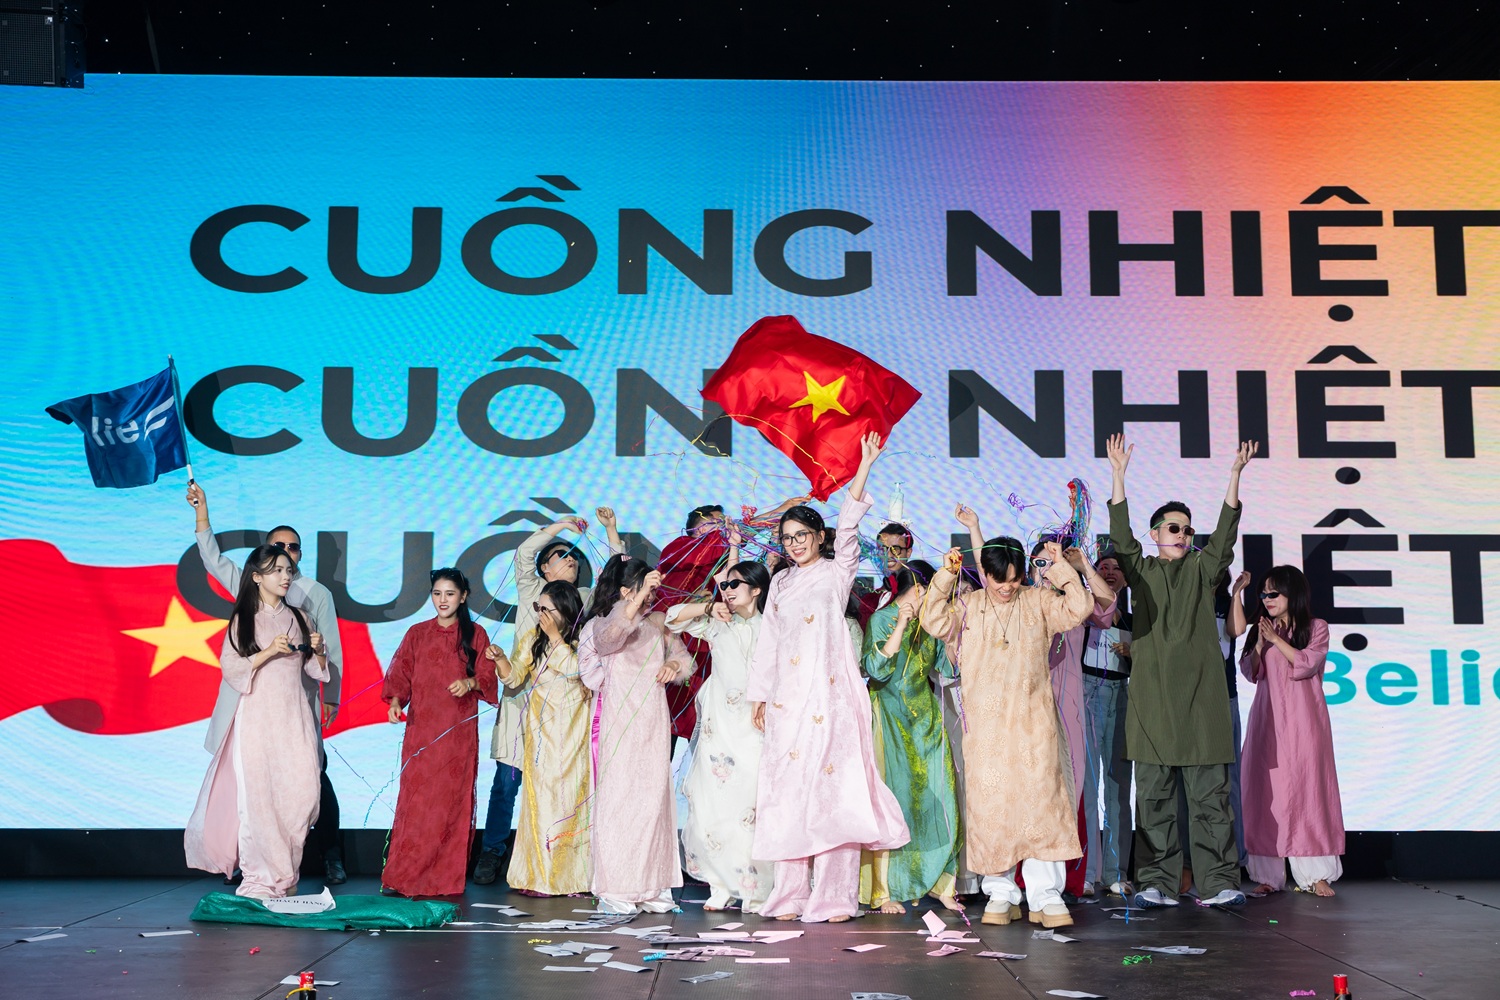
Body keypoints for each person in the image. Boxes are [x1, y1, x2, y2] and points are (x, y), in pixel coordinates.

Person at [748, 432, 910, 924]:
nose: (795, 544)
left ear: (819, 537)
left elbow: (850, 521)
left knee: (833, 790)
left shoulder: (837, 571)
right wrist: (760, 695)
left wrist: (864, 465)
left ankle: (835, 896)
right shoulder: (780, 581)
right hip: (787, 701)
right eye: (788, 538)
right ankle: (790, 894)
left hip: (829, 697)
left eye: (803, 535)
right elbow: (769, 642)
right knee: (788, 790)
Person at [1105, 433, 1258, 909]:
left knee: (1212, 800)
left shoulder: (1201, 571)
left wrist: (1234, 475)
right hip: (1153, 706)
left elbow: (1224, 540)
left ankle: (1219, 883)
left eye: (1188, 530)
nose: (1183, 535)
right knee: (1153, 801)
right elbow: (1122, 542)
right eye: (1174, 528)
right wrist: (1118, 475)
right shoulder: (1143, 572)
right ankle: (1156, 882)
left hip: (1202, 705)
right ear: (1155, 534)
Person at [921, 537, 1091, 928]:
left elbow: (1079, 607)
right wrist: (946, 574)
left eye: (1014, 579)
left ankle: (1045, 896)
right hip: (987, 731)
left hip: (1035, 726)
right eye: (1000, 579)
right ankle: (1000, 893)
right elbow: (932, 620)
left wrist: (1059, 566)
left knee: (1041, 806)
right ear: (986, 574)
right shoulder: (969, 605)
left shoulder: (1038, 600)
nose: (1007, 587)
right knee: (992, 810)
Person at [187, 481, 347, 886]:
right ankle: (256, 864)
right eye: (278, 550)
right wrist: (202, 515)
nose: (286, 559)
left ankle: (324, 855)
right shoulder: (250, 597)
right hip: (254, 704)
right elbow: (213, 560)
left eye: (293, 550)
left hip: (299, 704)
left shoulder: (312, 596)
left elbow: (327, 648)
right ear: (260, 567)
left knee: (308, 784)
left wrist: (331, 695)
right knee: (254, 787)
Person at [476, 507, 623, 886]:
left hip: (567, 712)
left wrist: (610, 529)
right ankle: (494, 851)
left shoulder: (586, 599)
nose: (572, 559)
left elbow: (615, 575)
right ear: (544, 569)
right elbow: (523, 554)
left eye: (574, 557)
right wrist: (561, 526)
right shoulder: (531, 593)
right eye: (562, 555)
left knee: (566, 786)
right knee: (507, 783)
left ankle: (566, 859)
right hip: (522, 703)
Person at [578, 555, 695, 914]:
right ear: (626, 590)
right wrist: (639, 595)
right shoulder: (601, 624)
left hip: (653, 723)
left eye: (651, 590)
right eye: (643, 589)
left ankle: (651, 884)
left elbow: (685, 661)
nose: (650, 596)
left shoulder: (657, 624)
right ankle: (616, 885)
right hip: (618, 721)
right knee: (619, 801)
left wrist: (673, 664)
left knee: (652, 801)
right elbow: (609, 642)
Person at [381, 569, 498, 897]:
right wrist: (395, 703)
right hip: (421, 733)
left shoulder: (475, 634)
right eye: (437, 593)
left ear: (463, 596)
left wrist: (470, 682)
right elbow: (400, 673)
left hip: (456, 736)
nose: (442, 600)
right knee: (416, 804)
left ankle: (441, 879)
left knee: (448, 807)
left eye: (449, 593)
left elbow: (488, 676)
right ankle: (404, 876)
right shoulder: (417, 633)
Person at [667, 561, 774, 912]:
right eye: (724, 585)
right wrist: (707, 607)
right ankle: (720, 884)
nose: (727, 590)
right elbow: (672, 617)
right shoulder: (718, 623)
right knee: (714, 802)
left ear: (756, 590)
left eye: (734, 584)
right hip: (720, 728)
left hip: (756, 725)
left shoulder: (772, 625)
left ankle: (755, 886)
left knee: (752, 805)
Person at [1232, 566, 1343, 897]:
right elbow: (1249, 672)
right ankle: (1269, 875)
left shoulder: (1315, 628)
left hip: (1304, 722)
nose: (1266, 600)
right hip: (1267, 722)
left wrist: (1276, 640)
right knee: (1266, 794)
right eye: (1263, 594)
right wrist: (1259, 643)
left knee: (1307, 792)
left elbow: (1306, 663)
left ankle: (1314, 874)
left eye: (1273, 593)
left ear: (1292, 594)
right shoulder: (1261, 630)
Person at [860, 561, 962, 915]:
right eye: (933, 591)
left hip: (926, 720)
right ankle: (884, 889)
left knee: (940, 798)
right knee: (894, 799)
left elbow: (947, 669)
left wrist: (951, 636)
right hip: (889, 718)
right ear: (918, 589)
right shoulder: (882, 619)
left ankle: (941, 882)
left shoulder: (932, 622)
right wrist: (902, 625)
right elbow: (875, 670)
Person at [486, 581, 592, 896]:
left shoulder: (584, 637)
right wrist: (500, 659)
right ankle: (540, 876)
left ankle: (575, 877)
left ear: (566, 610)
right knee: (542, 801)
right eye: (538, 608)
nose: (541, 614)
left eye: (547, 609)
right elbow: (514, 677)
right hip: (542, 734)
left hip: (575, 732)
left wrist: (557, 638)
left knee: (571, 802)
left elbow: (578, 671)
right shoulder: (533, 638)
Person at [1035, 539, 1118, 900]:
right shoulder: (1024, 600)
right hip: (1029, 704)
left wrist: (1082, 566)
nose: (1046, 570)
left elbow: (1109, 607)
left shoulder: (1077, 602)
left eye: (1052, 563)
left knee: (1071, 785)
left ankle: (1070, 873)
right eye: (1040, 563)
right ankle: (1026, 876)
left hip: (1068, 704)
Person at [1081, 549, 1134, 898]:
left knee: (1118, 787)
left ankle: (1115, 872)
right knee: (1087, 785)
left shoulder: (1134, 619)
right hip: (1087, 694)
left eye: (1116, 568)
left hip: (1122, 696)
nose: (1110, 572)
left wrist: (1134, 652)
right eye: (1104, 567)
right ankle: (1085, 872)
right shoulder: (1084, 612)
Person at [855, 522, 916, 627]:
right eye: (882, 549)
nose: (888, 555)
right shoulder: (870, 600)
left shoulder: (919, 592)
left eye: (895, 549)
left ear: (908, 552)